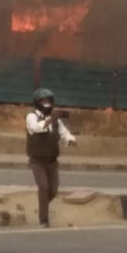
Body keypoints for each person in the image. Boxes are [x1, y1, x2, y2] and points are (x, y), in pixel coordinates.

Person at [26, 87, 76, 228]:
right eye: (43, 100)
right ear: (37, 102)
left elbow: (65, 133)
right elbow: (36, 128)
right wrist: (52, 118)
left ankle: (42, 206)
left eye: (49, 100)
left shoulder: (55, 120)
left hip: (52, 161)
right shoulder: (31, 117)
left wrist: (70, 140)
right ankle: (43, 220)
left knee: (53, 191)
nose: (46, 103)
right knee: (44, 187)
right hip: (37, 161)